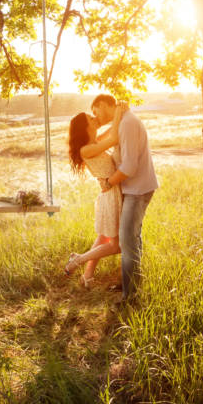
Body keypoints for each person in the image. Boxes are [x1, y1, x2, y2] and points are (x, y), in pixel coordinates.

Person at [90, 94, 157, 304]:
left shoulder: (128, 124)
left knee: (127, 240)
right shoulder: (123, 121)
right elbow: (98, 142)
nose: (96, 117)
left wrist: (108, 183)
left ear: (102, 105)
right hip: (132, 188)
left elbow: (129, 167)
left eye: (95, 111)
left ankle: (129, 296)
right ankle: (130, 283)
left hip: (137, 189)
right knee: (132, 238)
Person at [63, 102, 129, 288]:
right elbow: (115, 137)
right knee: (116, 246)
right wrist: (119, 112)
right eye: (91, 118)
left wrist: (118, 116)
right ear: (85, 127)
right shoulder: (87, 149)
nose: (95, 119)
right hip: (111, 195)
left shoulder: (94, 143)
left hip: (110, 192)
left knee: (103, 238)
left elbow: (111, 131)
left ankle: (87, 277)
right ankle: (77, 259)